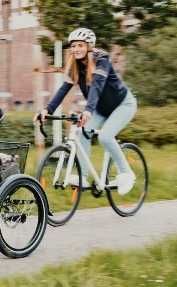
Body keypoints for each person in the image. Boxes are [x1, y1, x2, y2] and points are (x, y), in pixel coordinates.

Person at [35, 28, 138, 195]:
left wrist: (88, 111)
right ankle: (82, 177)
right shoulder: (75, 66)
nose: (76, 49)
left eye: (80, 45)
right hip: (101, 109)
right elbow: (64, 89)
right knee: (82, 133)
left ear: (89, 46)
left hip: (123, 105)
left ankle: (126, 173)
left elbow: (97, 85)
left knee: (105, 136)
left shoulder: (102, 60)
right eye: (73, 46)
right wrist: (47, 110)